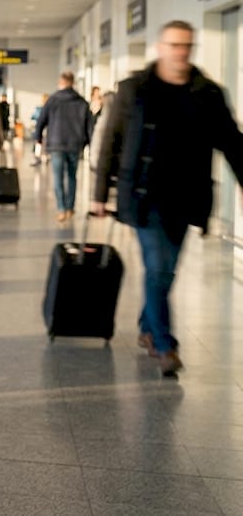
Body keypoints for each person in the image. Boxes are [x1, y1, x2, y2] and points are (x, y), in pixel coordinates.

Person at [91, 20, 243, 377]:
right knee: (158, 267)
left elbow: (232, 141)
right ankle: (164, 344)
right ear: (160, 47)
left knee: (166, 271)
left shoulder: (208, 93)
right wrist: (100, 193)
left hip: (187, 198)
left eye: (186, 46)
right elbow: (110, 142)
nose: (181, 52)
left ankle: (147, 326)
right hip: (143, 198)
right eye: (174, 45)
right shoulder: (135, 89)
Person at [35, 71, 94, 223]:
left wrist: (38, 138)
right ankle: (70, 207)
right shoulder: (82, 102)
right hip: (75, 144)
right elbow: (90, 126)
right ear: (73, 82)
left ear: (61, 82)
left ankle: (61, 208)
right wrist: (87, 142)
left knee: (58, 178)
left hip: (56, 144)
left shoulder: (53, 100)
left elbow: (41, 120)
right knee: (72, 177)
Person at [29, 92, 49, 165]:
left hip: (46, 129)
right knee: (38, 143)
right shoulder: (39, 109)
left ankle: (45, 156)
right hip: (40, 129)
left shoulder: (50, 109)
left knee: (45, 143)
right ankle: (37, 157)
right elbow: (33, 117)